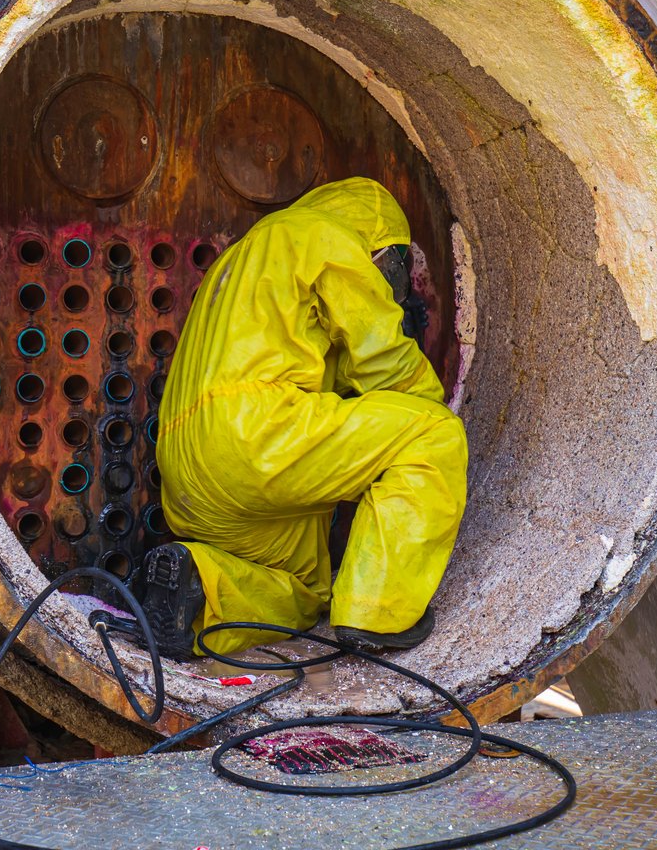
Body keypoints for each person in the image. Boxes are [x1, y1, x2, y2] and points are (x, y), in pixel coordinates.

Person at [137, 176, 467, 658]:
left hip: (187, 475)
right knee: (434, 435)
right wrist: (430, 415)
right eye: (393, 267)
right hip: (257, 435)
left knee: (303, 589)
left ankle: (199, 590)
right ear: (375, 237)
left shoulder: (237, 259)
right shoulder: (324, 235)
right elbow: (382, 361)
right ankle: (379, 616)